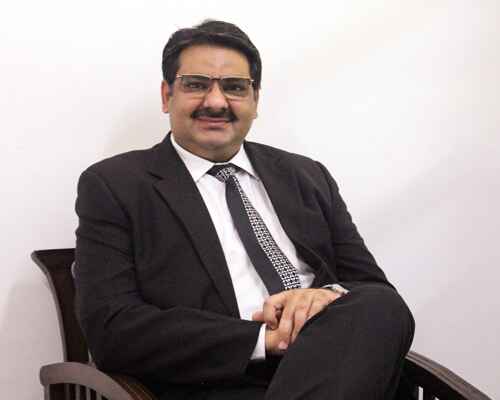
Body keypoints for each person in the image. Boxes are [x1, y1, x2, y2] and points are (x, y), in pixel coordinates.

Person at [74, 20, 415, 400]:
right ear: (167, 95)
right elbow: (112, 329)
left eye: (235, 87)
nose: (216, 102)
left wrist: (324, 296)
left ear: (255, 100)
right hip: (222, 381)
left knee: (382, 303)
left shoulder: (307, 175)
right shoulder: (115, 185)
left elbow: (371, 288)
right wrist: (265, 339)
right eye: (197, 84)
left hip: (337, 367)